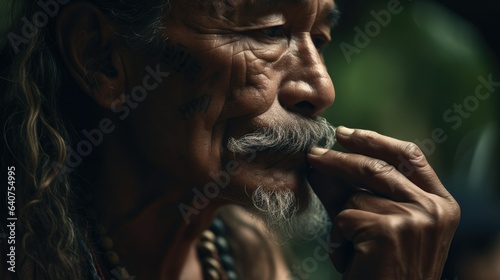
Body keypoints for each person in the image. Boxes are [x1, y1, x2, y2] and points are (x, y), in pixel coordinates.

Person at [0, 0, 460, 279]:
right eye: (269, 31)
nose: (321, 89)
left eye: (318, 39)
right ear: (101, 58)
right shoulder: (16, 249)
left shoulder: (243, 256)